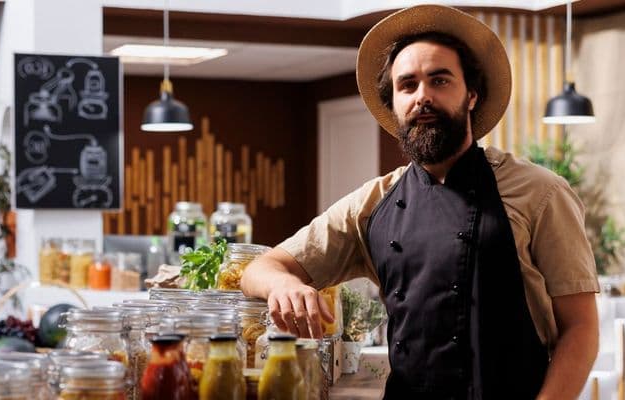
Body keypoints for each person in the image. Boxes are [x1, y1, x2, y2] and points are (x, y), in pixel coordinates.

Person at [240, 5, 599, 399]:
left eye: (440, 81)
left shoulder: (540, 192)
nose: (422, 96)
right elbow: (261, 268)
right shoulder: (373, 203)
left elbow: (580, 328)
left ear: (472, 95)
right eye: (407, 85)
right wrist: (286, 286)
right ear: (394, 103)